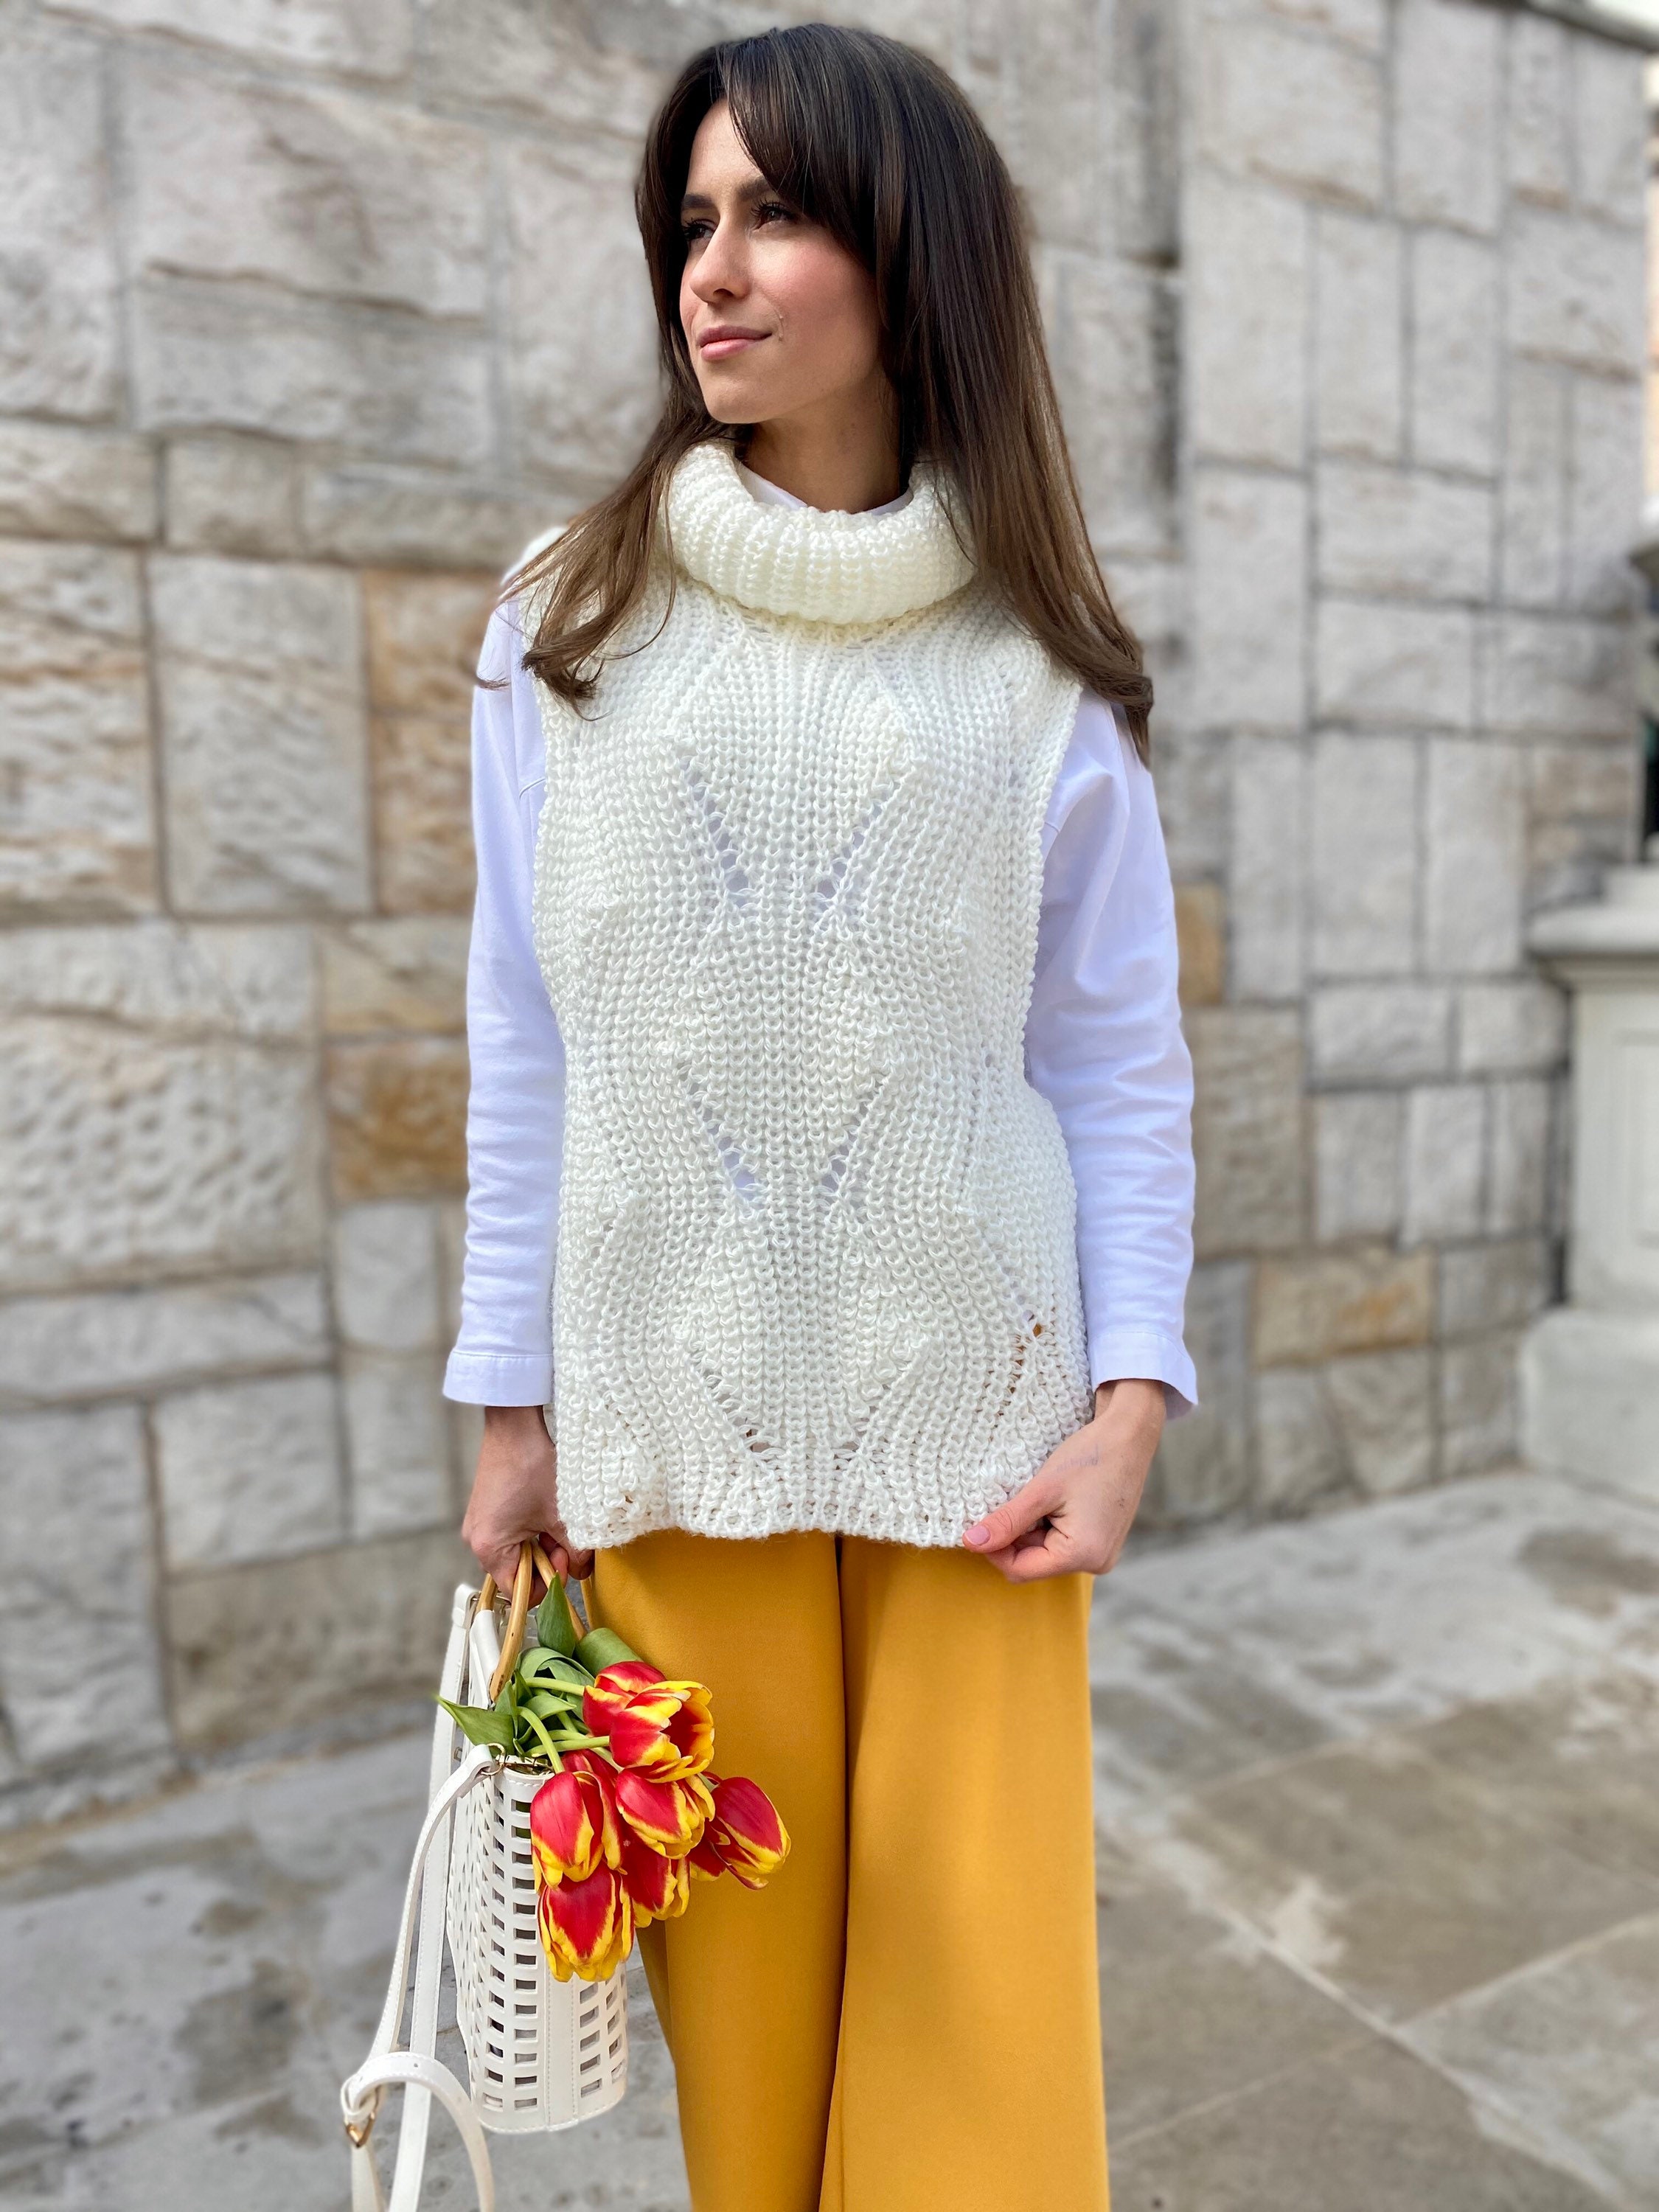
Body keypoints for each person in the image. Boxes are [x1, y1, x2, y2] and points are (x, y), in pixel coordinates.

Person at [443, 24, 1196, 2211]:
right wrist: (512, 1408)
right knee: (750, 2096)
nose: (714, 268)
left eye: (775, 210)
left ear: (913, 255)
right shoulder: (564, 626)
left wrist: (1128, 1393)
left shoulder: (1042, 667)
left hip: (979, 1451)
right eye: (690, 219)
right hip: (668, 1441)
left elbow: (1113, 1068)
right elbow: (525, 1034)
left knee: (976, 2081)